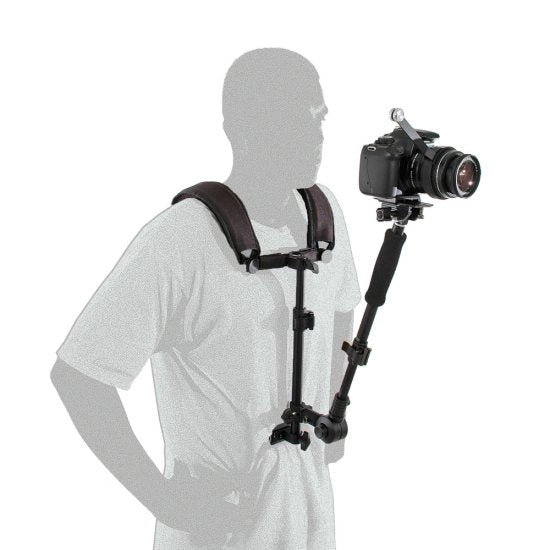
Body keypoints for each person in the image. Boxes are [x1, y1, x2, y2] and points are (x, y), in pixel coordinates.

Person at [51, 47, 362, 550]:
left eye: (318, 118)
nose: (316, 137)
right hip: (221, 526)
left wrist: (331, 405)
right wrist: (164, 501)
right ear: (241, 130)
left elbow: (342, 304)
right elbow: (78, 375)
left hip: (309, 518)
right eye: (293, 120)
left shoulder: (324, 220)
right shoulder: (182, 239)